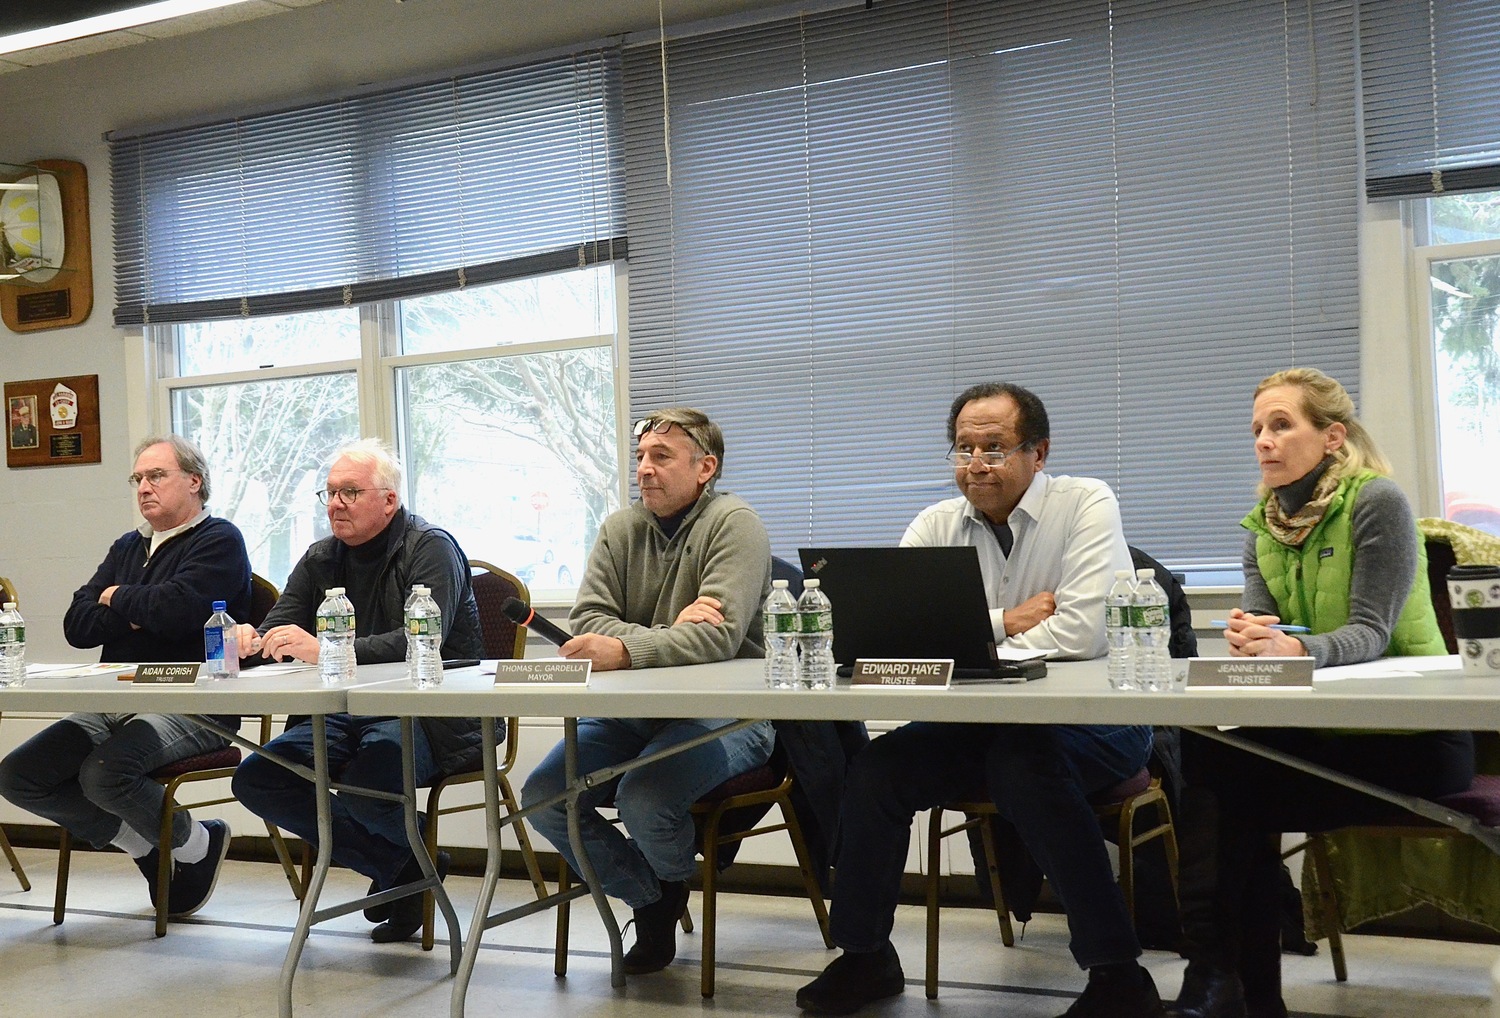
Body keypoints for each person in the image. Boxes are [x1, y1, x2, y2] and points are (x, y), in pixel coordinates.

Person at [796, 382, 1161, 1018]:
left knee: (1023, 764)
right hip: (979, 722)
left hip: (1097, 720)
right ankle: (865, 956)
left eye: (994, 447)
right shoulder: (935, 524)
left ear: (1038, 452)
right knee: (878, 770)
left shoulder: (1086, 503)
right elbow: (901, 645)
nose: (976, 464)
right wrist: (1004, 622)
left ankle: (1119, 975)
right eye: (964, 449)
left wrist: (970, 640)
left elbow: (1080, 633)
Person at [1168, 368, 1472, 1018]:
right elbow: (1266, 633)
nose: (1264, 442)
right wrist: (1251, 637)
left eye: (1282, 425)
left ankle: (1225, 985)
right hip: (1321, 733)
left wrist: (1295, 649)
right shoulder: (1261, 527)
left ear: (1333, 436)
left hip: (1415, 738)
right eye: (1256, 429)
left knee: (1229, 789)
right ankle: (1225, 984)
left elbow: (1369, 632)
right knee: (1212, 765)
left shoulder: (1375, 502)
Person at [520, 406, 774, 975]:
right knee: (543, 797)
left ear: (705, 467)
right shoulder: (620, 528)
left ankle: (660, 898)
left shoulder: (736, 523)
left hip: (730, 715)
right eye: (640, 458)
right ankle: (654, 894)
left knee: (644, 799)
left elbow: (722, 639)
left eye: (661, 457)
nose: (644, 471)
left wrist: (628, 647)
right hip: (631, 713)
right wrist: (670, 633)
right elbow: (588, 623)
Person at [229, 438, 484, 944]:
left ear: (389, 500)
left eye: (349, 492)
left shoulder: (431, 546)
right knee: (258, 779)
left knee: (372, 785)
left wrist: (322, 649)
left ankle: (402, 872)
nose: (336, 504)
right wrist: (254, 637)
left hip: (428, 714)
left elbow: (419, 640)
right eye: (328, 493)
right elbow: (282, 626)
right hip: (341, 713)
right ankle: (406, 868)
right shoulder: (321, 556)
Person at [0, 435, 250, 917]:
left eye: (156, 476)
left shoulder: (219, 540)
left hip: (193, 701)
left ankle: (197, 844)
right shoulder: (126, 547)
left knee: (103, 774)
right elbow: (77, 624)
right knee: (19, 776)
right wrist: (137, 608)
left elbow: (181, 611)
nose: (143, 488)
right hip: (116, 696)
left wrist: (117, 597)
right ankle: (149, 845)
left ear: (194, 481)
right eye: (138, 479)